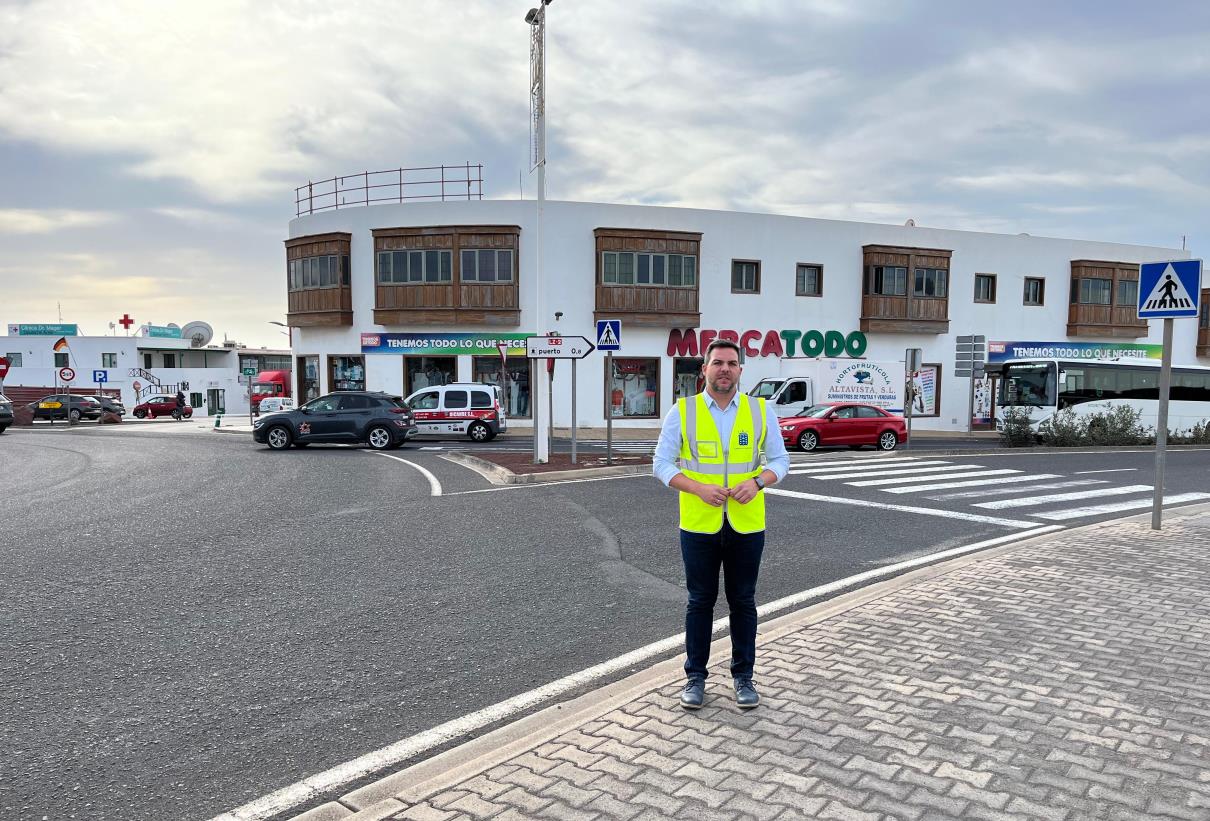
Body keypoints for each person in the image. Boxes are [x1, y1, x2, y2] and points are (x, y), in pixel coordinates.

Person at [653, 338, 790, 711]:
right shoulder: (682, 412)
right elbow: (661, 465)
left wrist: (757, 482)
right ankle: (695, 678)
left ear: (741, 370)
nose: (724, 369)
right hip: (699, 524)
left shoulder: (761, 411)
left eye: (731, 363)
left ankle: (743, 677)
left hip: (747, 525)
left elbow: (780, 461)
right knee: (700, 601)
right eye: (717, 363)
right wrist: (698, 488)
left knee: (743, 602)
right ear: (705, 370)